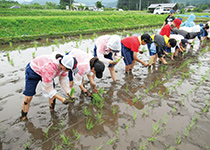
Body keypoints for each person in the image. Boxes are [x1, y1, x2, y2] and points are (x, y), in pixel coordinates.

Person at [21, 52, 79, 121]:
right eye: (69, 69)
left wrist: (69, 92)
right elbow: (47, 88)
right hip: (33, 71)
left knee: (52, 96)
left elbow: (63, 80)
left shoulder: (64, 65)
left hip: (48, 74)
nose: (69, 71)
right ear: (64, 66)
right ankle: (23, 117)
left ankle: (52, 112)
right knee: (28, 97)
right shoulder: (50, 67)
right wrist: (62, 99)